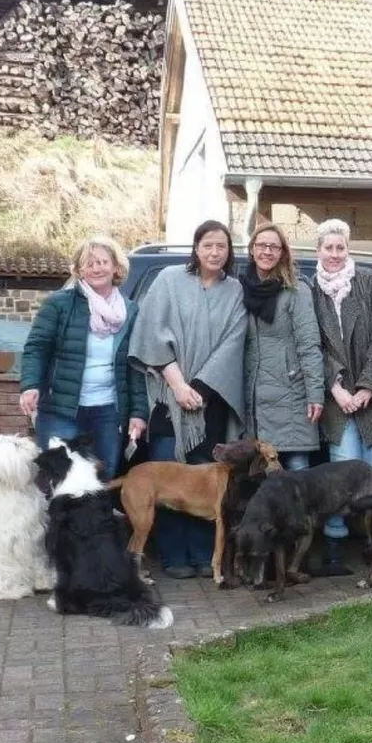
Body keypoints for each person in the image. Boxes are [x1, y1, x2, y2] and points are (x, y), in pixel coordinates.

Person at [128, 219, 246, 579]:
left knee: (205, 485)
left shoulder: (236, 290)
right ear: (196, 248)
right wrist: (179, 384)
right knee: (170, 480)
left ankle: (200, 554)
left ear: (229, 253)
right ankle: (174, 556)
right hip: (168, 397)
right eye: (208, 245)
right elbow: (150, 331)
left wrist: (201, 388)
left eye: (221, 246)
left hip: (211, 400)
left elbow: (233, 342)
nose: (214, 252)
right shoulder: (167, 280)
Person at [309, 218, 372, 575]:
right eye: (328, 247)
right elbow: (314, 345)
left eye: (340, 247)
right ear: (317, 250)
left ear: (347, 249)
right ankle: (335, 546)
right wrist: (336, 389)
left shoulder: (367, 282)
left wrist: (366, 387)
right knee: (341, 477)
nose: (334, 254)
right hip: (337, 397)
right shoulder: (311, 290)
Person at [20, 235, 147, 477]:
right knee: (60, 482)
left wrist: (138, 413)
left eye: (102, 262)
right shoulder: (59, 304)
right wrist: (30, 385)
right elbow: (37, 347)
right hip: (61, 410)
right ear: (79, 270)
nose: (97, 268)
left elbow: (135, 366)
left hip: (109, 413)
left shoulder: (130, 311)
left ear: (116, 267)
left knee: (102, 481)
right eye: (89, 263)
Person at [240, 221, 323, 471]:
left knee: (297, 472)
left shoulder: (296, 291)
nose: (267, 251)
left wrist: (316, 393)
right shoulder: (239, 288)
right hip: (252, 397)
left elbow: (309, 346)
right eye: (262, 245)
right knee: (259, 478)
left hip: (291, 396)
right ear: (252, 250)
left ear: (283, 252)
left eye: (274, 247)